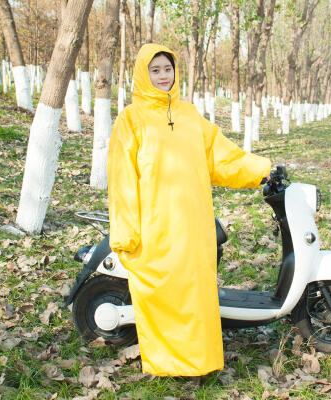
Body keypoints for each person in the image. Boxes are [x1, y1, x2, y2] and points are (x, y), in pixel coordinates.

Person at [107, 43, 271, 377]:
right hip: (154, 228)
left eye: (167, 69)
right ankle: (166, 365)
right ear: (142, 74)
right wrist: (126, 231)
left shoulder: (190, 115)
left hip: (194, 226)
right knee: (163, 297)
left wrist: (262, 169)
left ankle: (201, 363)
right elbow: (121, 179)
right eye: (155, 70)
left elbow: (223, 157)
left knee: (196, 295)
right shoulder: (130, 120)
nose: (163, 76)